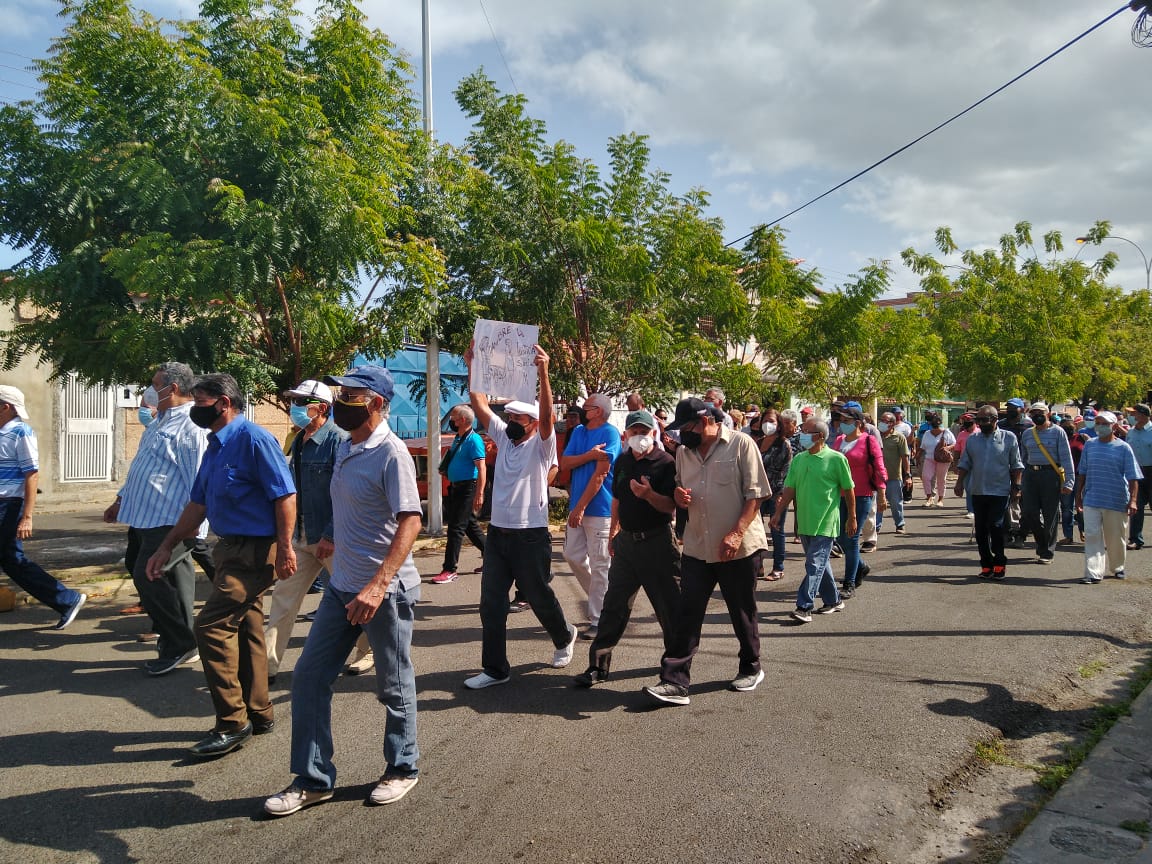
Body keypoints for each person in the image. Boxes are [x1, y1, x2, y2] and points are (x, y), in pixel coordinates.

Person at [263, 365, 423, 816]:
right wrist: (331, 534)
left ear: (375, 402)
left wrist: (378, 584)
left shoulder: (391, 453)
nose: (340, 401)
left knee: (393, 685)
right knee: (310, 678)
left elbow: (410, 519)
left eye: (351, 394)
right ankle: (313, 779)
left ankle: (403, 768)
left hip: (383, 593)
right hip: (341, 586)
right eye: (341, 393)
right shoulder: (349, 446)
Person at [146, 374, 297, 758]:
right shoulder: (215, 445)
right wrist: (166, 546)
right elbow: (198, 504)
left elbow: (285, 496)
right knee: (246, 627)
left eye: (201, 400)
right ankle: (259, 712)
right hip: (228, 549)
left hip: (254, 551)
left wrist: (284, 548)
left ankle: (232, 723)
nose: (195, 406)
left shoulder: (254, 440)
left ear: (224, 403)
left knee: (210, 626)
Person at [462, 343, 578, 689]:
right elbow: (480, 405)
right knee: (491, 604)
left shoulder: (542, 445)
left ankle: (563, 636)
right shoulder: (503, 436)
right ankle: (496, 670)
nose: (510, 423)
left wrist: (543, 370)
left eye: (518, 419)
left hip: (530, 535)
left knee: (538, 595)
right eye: (509, 417)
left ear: (531, 423)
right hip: (499, 534)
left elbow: (547, 418)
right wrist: (474, 366)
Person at [643, 398, 770, 706]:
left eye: (686, 428)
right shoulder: (684, 454)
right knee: (687, 612)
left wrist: (736, 533)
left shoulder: (741, 445)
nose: (681, 436)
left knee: (741, 611)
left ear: (705, 421)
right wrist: (679, 495)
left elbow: (756, 495)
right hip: (697, 545)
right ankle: (674, 680)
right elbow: (678, 489)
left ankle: (751, 666)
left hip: (736, 547)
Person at [104, 362, 207, 676]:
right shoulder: (159, 422)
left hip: (168, 520)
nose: (149, 390)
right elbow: (143, 466)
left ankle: (179, 642)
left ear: (173, 388)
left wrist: (194, 529)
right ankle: (179, 638)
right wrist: (120, 498)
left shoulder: (191, 427)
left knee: (146, 575)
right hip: (143, 516)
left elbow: (199, 481)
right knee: (165, 578)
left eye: (154, 384)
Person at [573, 410, 680, 687]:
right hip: (626, 544)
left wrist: (648, 495)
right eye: (634, 432)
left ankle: (674, 670)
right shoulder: (621, 461)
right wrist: (612, 535)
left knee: (669, 609)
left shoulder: (666, 462)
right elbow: (617, 500)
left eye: (644, 432)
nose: (639, 437)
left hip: (658, 543)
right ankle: (598, 666)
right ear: (626, 435)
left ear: (654, 434)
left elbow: (670, 506)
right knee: (613, 607)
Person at [264, 379, 353, 681]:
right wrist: (286, 537)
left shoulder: (339, 441)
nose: (296, 408)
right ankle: (267, 667)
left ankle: (369, 654)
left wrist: (330, 534)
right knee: (282, 600)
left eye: (303, 402)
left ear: (323, 408)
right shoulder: (299, 440)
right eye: (295, 401)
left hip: (333, 539)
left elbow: (344, 494)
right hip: (302, 538)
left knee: (356, 601)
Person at [0, 385, 87, 629]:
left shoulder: (20, 432)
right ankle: (66, 600)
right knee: (12, 560)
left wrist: (27, 516)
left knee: (12, 559)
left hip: (9, 505)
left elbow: (32, 475)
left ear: (5, 407)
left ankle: (66, 599)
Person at [770, 416, 853, 623]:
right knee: (819, 564)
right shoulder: (799, 459)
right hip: (805, 522)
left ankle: (804, 606)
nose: (802, 435)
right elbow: (789, 489)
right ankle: (833, 600)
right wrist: (778, 513)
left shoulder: (836, 459)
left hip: (826, 522)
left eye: (806, 431)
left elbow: (849, 490)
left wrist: (851, 517)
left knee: (814, 564)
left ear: (820, 436)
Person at [559, 392, 621, 640]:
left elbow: (601, 474)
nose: (583, 410)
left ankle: (599, 619)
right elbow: (565, 463)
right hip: (578, 507)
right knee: (572, 555)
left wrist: (581, 507)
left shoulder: (610, 434)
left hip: (600, 510)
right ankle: (604, 603)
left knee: (600, 565)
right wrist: (589, 455)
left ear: (600, 411)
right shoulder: (579, 433)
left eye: (588, 407)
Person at [954, 406, 1023, 579]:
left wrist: (1017, 487)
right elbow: (965, 463)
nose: (980, 424)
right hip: (978, 490)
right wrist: (959, 483)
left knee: (996, 526)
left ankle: (999, 563)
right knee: (981, 530)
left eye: (984, 420)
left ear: (994, 420)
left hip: (999, 491)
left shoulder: (1009, 438)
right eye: (979, 421)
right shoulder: (973, 439)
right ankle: (986, 564)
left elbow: (1016, 465)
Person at [1075, 411, 1142, 584]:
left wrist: (1133, 500)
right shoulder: (1090, 445)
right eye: (1098, 423)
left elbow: (1133, 477)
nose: (1100, 426)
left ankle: (1117, 567)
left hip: (1116, 500)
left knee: (1115, 537)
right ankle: (1093, 573)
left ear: (1113, 426)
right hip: (1092, 498)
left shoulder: (1123, 447)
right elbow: (1082, 472)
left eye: (1104, 423)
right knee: (1092, 536)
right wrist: (1079, 496)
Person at [832, 407, 886, 598]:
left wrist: (881, 494)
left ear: (857, 423)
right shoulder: (838, 441)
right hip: (839, 495)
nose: (842, 424)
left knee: (852, 537)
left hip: (861, 495)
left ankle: (849, 583)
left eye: (846, 421)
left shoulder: (869, 440)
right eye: (841, 420)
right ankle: (861, 566)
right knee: (839, 537)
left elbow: (879, 467)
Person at [433, 403, 487, 584]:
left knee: (456, 528)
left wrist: (479, 493)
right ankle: (492, 558)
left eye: (454, 418)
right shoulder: (459, 437)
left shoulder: (474, 440)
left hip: (467, 488)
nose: (452, 421)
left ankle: (449, 569)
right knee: (470, 526)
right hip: (456, 486)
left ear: (463, 420)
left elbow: (481, 468)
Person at [1018, 401, 1075, 565]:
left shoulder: (1058, 432)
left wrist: (1069, 482)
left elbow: (1066, 458)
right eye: (1033, 413)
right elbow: (1022, 458)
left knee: (1050, 514)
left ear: (1048, 414)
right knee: (1029, 513)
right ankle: (1042, 542)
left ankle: (1047, 551)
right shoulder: (1028, 433)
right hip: (1030, 474)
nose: (1036, 416)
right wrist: (1019, 480)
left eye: (1040, 413)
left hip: (1050, 474)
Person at [757, 410, 793, 581]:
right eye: (764, 420)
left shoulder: (784, 444)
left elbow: (787, 471)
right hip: (757, 493)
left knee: (776, 530)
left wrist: (781, 494)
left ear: (778, 424)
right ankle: (758, 565)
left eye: (771, 421)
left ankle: (778, 567)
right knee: (756, 530)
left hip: (776, 493)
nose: (767, 424)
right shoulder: (757, 443)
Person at [998, 398, 1035, 547]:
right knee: (1004, 501)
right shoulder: (1000, 425)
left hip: (1025, 468)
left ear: (1022, 409)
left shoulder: (1029, 426)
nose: (1010, 410)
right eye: (1009, 408)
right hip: (1004, 467)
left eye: (1014, 408)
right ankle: (1007, 533)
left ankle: (1022, 533)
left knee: (1025, 503)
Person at [876, 411, 910, 536]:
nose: (881, 423)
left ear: (891, 424)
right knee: (878, 502)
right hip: (877, 477)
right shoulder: (875, 436)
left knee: (896, 502)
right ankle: (876, 526)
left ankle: (900, 524)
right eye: (881, 420)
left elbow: (905, 457)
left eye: (884, 421)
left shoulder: (899, 437)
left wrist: (907, 475)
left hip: (894, 476)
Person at [1124, 403, 1152, 550]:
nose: (1132, 417)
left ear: (1143, 415)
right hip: (1136, 473)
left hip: (1151, 471)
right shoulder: (1131, 432)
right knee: (1136, 506)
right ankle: (1135, 539)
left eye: (1134, 414)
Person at [919, 411, 954, 508]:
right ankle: (929, 498)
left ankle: (940, 499)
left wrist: (947, 448)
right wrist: (917, 457)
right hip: (929, 458)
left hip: (942, 459)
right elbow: (922, 447)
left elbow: (954, 443)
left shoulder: (946, 432)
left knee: (941, 479)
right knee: (926, 477)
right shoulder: (927, 433)